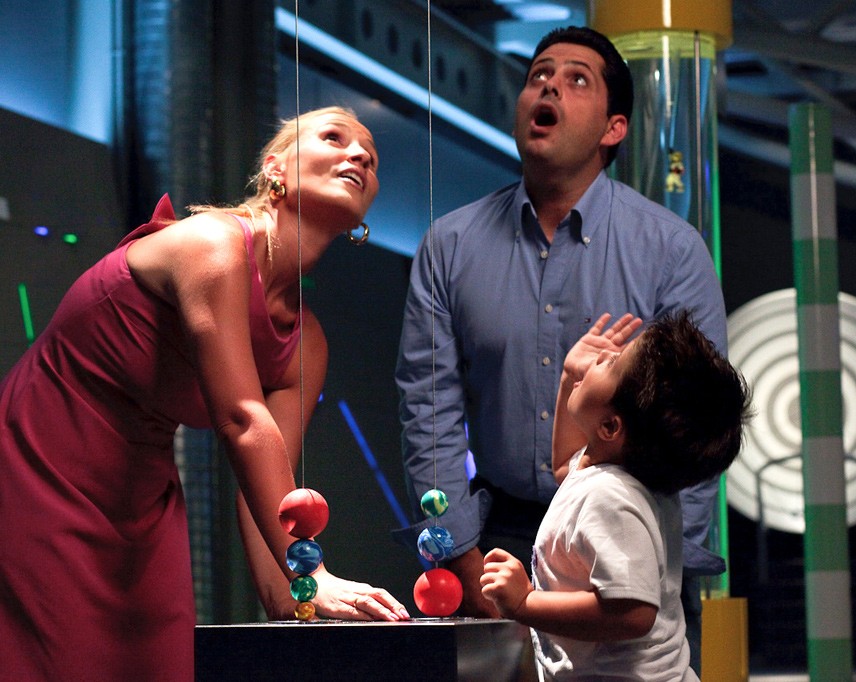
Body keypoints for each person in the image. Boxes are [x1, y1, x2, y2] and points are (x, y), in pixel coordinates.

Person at [0, 106, 409, 682]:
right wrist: (312, 575)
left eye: (371, 155)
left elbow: (271, 490)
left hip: (142, 496)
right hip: (37, 465)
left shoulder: (307, 342)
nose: (361, 155)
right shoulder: (213, 245)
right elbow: (242, 420)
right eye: (334, 137)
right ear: (276, 170)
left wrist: (296, 598)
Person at [395, 25, 727, 673]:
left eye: (577, 79)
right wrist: (459, 555)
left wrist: (666, 559)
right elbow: (427, 407)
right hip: (495, 541)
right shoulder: (449, 245)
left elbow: (694, 417)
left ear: (614, 128)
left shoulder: (672, 249)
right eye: (538, 74)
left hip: (631, 531)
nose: (547, 85)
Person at [480, 312, 751, 681]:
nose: (600, 356)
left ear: (609, 426)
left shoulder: (612, 499)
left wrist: (526, 603)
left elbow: (632, 613)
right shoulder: (618, 474)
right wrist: (570, 379)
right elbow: (564, 467)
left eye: (610, 364)